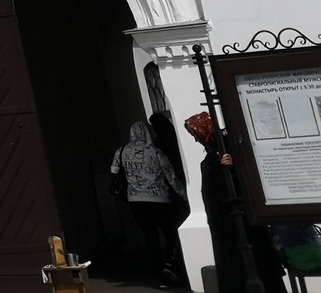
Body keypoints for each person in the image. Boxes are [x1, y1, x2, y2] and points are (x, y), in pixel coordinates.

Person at [185, 111, 287, 293]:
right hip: (225, 223)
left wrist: (231, 167)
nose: (195, 139)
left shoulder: (226, 150)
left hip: (240, 222)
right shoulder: (214, 152)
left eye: (196, 134)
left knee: (254, 265)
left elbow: (243, 178)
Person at [115, 119, 187, 286]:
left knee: (150, 237)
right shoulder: (156, 153)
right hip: (159, 200)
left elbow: (114, 171)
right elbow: (171, 177)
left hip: (136, 201)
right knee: (171, 233)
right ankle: (169, 265)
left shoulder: (123, 151)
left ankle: (157, 272)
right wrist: (183, 194)